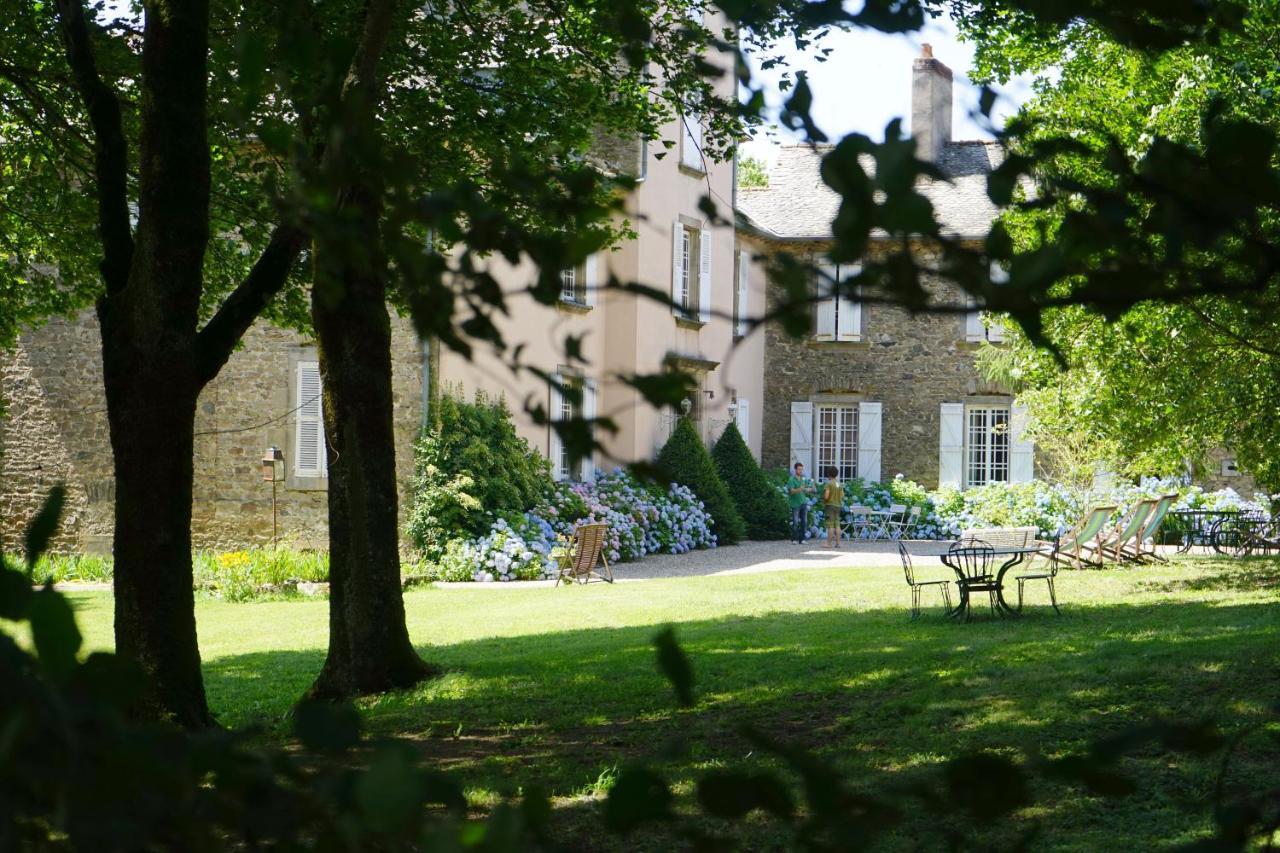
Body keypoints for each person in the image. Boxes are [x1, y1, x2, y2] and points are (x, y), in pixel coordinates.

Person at [785, 462, 815, 544]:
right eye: (799, 469)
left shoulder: (803, 479)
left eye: (801, 469)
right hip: (795, 503)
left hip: (803, 502)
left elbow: (805, 490)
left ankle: (802, 539)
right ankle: (794, 539)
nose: (800, 471)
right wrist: (800, 489)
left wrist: (812, 488)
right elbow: (791, 491)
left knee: (804, 522)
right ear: (795, 470)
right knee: (795, 522)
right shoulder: (791, 479)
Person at [822, 467, 845, 549]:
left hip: (830, 506)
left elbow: (826, 495)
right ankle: (838, 543)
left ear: (829, 474)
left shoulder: (828, 484)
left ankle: (828, 543)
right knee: (837, 524)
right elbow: (842, 495)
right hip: (838, 505)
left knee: (830, 525)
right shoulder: (838, 484)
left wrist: (824, 499)